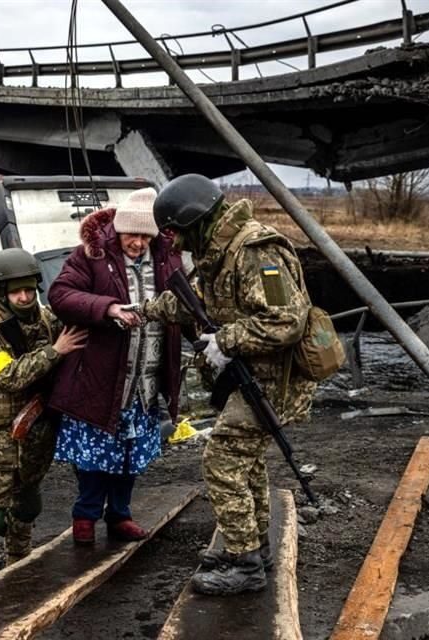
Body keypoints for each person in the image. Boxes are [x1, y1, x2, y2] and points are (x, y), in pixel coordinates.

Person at [144, 174, 316, 596]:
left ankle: (245, 565)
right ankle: (253, 548)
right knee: (246, 463)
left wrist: (225, 339)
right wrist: (141, 310)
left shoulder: (258, 252)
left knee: (221, 461)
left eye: (179, 233)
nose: (178, 245)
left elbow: (287, 320)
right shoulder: (218, 253)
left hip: (274, 382)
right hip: (250, 377)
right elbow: (195, 302)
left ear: (197, 221)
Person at [46, 187, 184, 544]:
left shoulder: (169, 258)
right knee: (94, 453)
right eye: (131, 234)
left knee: (130, 453)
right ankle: (86, 516)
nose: (137, 242)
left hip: (145, 379)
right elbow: (61, 295)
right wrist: (106, 308)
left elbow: (185, 300)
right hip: (100, 376)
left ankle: (120, 514)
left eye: (144, 235)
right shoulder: (91, 255)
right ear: (119, 230)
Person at [0, 248, 87, 583]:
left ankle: (20, 566)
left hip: (38, 431)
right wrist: (55, 351)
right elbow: (7, 376)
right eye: (16, 291)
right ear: (0, 292)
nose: (24, 297)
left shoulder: (47, 320)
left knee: (28, 505)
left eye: (30, 289)